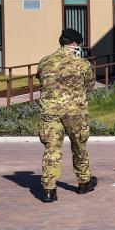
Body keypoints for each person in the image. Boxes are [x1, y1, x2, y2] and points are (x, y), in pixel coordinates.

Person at [36, 28, 97, 203]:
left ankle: (49, 189)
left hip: (50, 112)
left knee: (52, 150)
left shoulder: (44, 62)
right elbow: (90, 86)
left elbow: (41, 81)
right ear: (74, 44)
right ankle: (84, 182)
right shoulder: (82, 64)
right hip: (75, 112)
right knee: (79, 147)